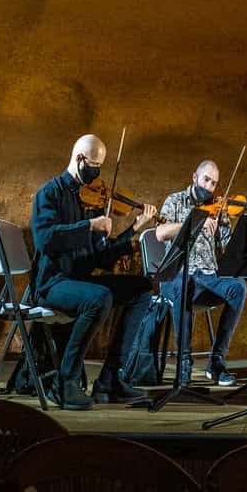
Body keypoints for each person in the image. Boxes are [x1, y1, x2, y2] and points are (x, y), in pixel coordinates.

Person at [30, 132, 158, 409]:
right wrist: (89, 227)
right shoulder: (48, 194)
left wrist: (135, 228)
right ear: (79, 159)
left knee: (141, 290)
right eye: (94, 165)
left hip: (80, 279)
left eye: (100, 167)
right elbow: (45, 240)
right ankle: (64, 382)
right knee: (99, 297)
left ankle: (111, 380)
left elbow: (101, 258)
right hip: (52, 283)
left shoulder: (90, 202)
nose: (97, 173)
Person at [156, 158, 247, 386]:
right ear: (195, 177)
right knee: (184, 286)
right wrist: (196, 223)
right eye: (206, 180)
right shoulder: (174, 201)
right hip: (177, 275)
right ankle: (184, 362)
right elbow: (160, 233)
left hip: (209, 276)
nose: (209, 187)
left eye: (214, 183)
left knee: (238, 287)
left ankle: (217, 360)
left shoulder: (218, 209)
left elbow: (230, 247)